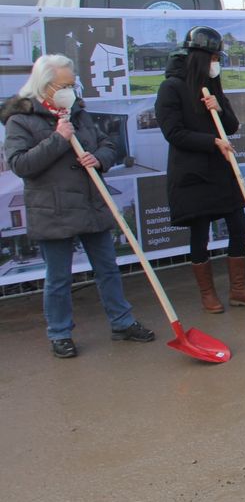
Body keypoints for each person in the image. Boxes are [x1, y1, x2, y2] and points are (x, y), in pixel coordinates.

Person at [2, 54, 154, 357]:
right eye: (64, 85)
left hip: (90, 203)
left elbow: (108, 144)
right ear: (44, 86)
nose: (70, 91)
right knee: (59, 278)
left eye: (72, 84)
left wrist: (99, 158)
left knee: (108, 269)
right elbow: (20, 164)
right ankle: (60, 333)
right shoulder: (21, 119)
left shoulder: (78, 113)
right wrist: (58, 139)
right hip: (53, 209)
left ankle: (122, 322)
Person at [155, 26, 245, 313]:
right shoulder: (172, 87)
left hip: (220, 171)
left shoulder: (212, 85)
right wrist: (211, 142)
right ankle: (208, 294)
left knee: (238, 225)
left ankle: (238, 289)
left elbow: (232, 126)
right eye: (213, 58)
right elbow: (173, 133)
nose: (216, 64)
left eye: (218, 58)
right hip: (192, 173)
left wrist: (220, 109)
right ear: (199, 58)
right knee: (200, 233)